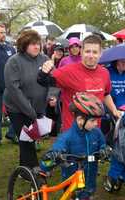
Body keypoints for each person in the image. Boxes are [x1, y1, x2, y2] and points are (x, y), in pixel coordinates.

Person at [38, 34, 121, 132]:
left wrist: (114, 110)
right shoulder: (69, 71)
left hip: (95, 129)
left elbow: (106, 94)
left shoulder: (104, 73)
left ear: (100, 53)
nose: (91, 56)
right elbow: (42, 81)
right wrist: (43, 71)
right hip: (73, 132)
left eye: (95, 52)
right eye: (87, 51)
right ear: (81, 52)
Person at [41, 92, 107, 200]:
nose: (96, 124)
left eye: (97, 120)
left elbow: (102, 145)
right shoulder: (66, 137)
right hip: (71, 184)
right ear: (80, 120)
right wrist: (54, 155)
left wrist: (104, 150)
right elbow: (48, 161)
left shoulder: (97, 133)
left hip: (90, 181)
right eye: (93, 120)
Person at [4, 30, 51, 169]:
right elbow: (14, 89)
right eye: (32, 44)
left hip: (38, 107)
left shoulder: (44, 59)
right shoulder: (13, 62)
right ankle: (32, 169)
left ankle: (24, 167)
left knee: (30, 138)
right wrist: (30, 111)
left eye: (38, 44)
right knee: (26, 138)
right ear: (24, 45)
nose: (37, 47)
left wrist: (51, 97)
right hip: (17, 109)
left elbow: (53, 80)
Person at [103, 59, 125, 192]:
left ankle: (120, 176)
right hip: (113, 114)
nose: (124, 64)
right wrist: (113, 110)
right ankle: (114, 176)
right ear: (116, 61)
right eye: (122, 61)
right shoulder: (107, 72)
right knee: (119, 146)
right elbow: (105, 93)